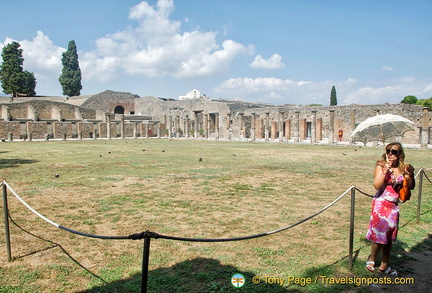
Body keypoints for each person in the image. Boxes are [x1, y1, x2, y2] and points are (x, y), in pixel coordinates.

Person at [365, 142, 415, 276]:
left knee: (389, 235)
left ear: (400, 154)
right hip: (381, 203)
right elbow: (376, 185)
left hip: (393, 205)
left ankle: (384, 264)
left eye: (394, 152)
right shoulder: (381, 165)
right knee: (380, 235)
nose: (391, 154)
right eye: (388, 151)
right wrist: (385, 171)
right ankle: (372, 259)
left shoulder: (403, 167)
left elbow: (410, 186)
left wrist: (410, 174)